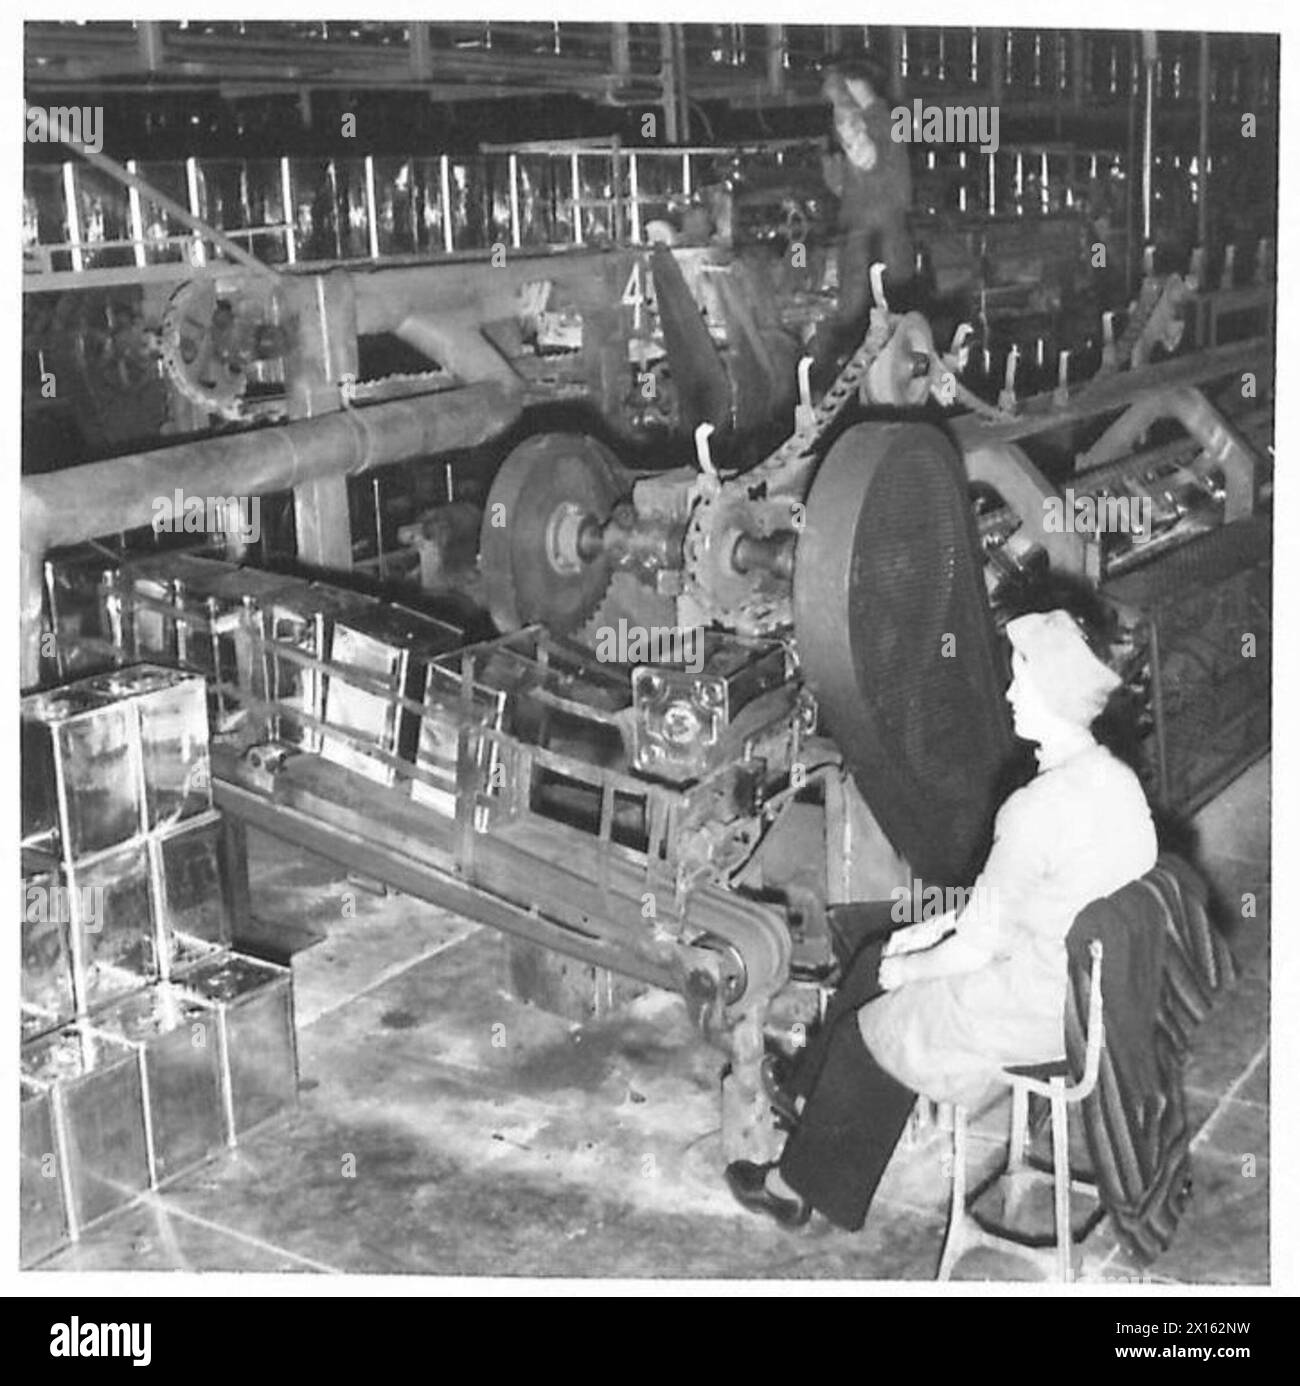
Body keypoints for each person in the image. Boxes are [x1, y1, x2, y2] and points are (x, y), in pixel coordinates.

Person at [725, 608, 1159, 1230]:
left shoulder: (1033, 810)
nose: (1008, 693)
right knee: (878, 956)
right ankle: (803, 1100)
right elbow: (1022, 902)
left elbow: (975, 949)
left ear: (1057, 698)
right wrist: (923, 936)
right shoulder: (1116, 782)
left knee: (872, 1027)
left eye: (1022, 681)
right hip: (1092, 991)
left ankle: (792, 1189)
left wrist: (916, 965)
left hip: (1038, 1009)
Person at [813, 58, 915, 378]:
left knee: (865, 336)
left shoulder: (875, 121)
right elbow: (857, 183)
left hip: (874, 247)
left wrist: (841, 109)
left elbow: (866, 157)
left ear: (854, 86)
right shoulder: (884, 119)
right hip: (882, 245)